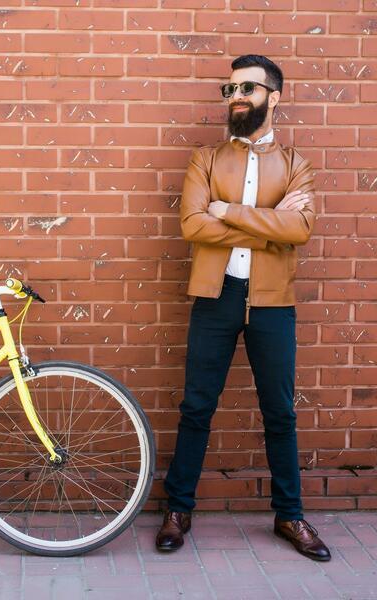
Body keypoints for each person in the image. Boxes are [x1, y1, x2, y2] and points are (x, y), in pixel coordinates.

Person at [155, 54, 331, 562]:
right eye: (230, 89)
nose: (236, 96)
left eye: (247, 88)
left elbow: (300, 229)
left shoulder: (296, 164)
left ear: (274, 97)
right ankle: (178, 509)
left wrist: (227, 211)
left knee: (280, 412)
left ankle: (289, 515)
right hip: (216, 297)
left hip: (272, 302)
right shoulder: (205, 160)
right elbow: (193, 225)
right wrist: (270, 225)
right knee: (196, 407)